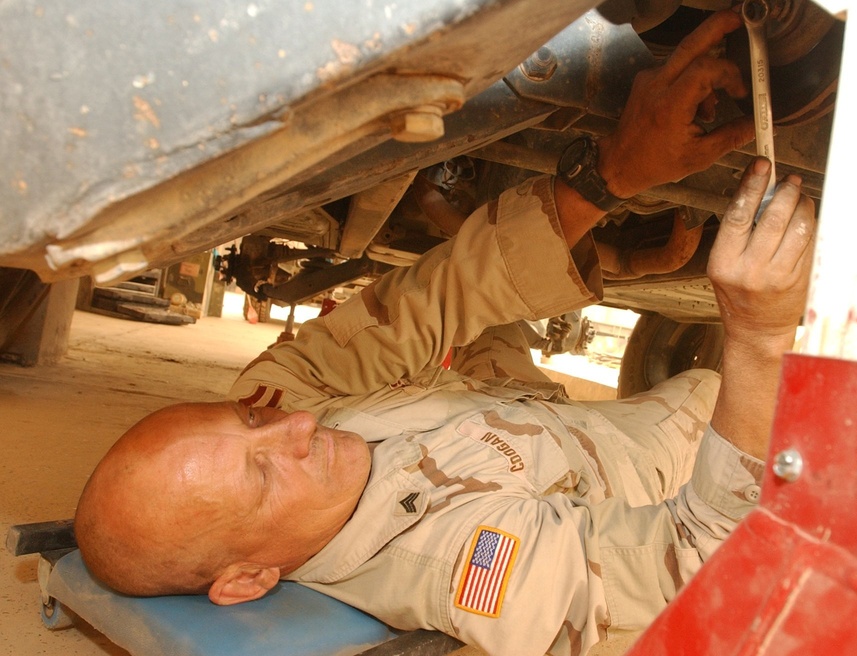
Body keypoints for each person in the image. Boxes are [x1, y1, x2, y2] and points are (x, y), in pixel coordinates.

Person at [74, 10, 816, 656]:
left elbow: (426, 302)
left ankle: (581, 241)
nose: (297, 424)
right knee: (711, 387)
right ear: (250, 579)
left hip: (504, 396)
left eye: (253, 420)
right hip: (649, 451)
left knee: (459, 318)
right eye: (266, 472)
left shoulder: (283, 404)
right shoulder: (454, 564)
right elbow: (697, 560)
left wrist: (613, 172)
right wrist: (758, 339)